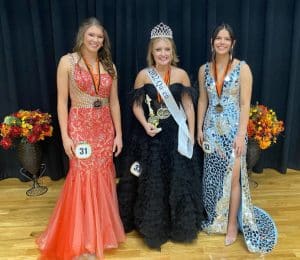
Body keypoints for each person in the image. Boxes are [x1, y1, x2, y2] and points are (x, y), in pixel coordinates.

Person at [36, 17, 125, 259]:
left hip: (104, 128)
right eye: (92, 35)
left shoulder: (109, 66)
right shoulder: (67, 62)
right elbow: (61, 103)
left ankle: (101, 235)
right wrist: (65, 136)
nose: (96, 40)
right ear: (82, 36)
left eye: (100, 36)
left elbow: (115, 102)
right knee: (82, 177)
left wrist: (119, 135)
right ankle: (83, 240)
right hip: (80, 127)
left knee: (103, 176)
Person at [117, 22, 204, 249]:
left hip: (175, 135)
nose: (163, 54)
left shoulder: (182, 74)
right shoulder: (144, 75)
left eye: (167, 50)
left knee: (177, 178)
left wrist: (192, 136)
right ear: (152, 52)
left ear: (172, 52)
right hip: (150, 138)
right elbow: (136, 105)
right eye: (158, 50)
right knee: (151, 179)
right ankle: (153, 224)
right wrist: (145, 124)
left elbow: (188, 107)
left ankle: (178, 224)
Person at [197, 23, 277, 253]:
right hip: (211, 130)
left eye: (226, 39)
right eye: (218, 38)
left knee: (233, 179)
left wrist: (242, 134)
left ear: (233, 43)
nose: (221, 42)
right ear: (212, 42)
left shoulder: (243, 69)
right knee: (213, 177)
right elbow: (203, 100)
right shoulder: (204, 69)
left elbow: (244, 104)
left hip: (233, 131)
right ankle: (216, 219)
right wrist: (199, 130)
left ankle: (232, 224)